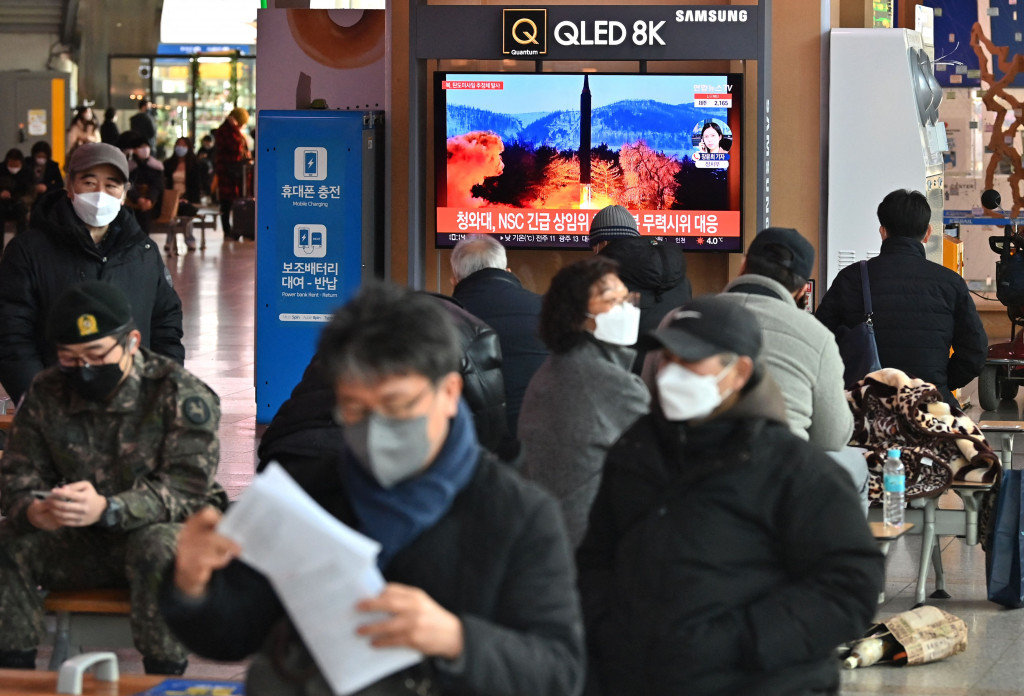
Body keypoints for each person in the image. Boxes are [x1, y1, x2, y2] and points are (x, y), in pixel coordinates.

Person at [159, 282, 585, 695]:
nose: (377, 430)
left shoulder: (517, 513)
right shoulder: (308, 495)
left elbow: (558, 670)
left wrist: (456, 639)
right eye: (355, 409)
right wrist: (193, 583)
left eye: (397, 406)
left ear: (449, 391)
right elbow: (236, 632)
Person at [577, 295, 885, 696]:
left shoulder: (795, 471)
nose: (671, 373)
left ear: (738, 372)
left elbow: (850, 586)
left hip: (759, 682)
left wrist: (739, 642)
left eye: (690, 361)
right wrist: (610, 631)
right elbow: (596, 557)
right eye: (667, 358)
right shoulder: (636, 449)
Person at [0, 281, 226, 675]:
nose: (84, 369)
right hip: (83, 539)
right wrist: (34, 510)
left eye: (96, 355)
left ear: (132, 342)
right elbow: (17, 473)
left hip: (165, 533)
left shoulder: (177, 394)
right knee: (7, 542)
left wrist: (110, 508)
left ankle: (163, 677)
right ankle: (15, 675)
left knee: (158, 549)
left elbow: (187, 489)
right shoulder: (48, 392)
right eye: (70, 359)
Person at [0, 142, 184, 403]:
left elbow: (166, 326)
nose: (100, 194)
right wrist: (41, 401)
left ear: (123, 193)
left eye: (111, 185)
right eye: (89, 182)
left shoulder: (144, 252)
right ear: (70, 186)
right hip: (56, 405)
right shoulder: (28, 251)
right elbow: (12, 334)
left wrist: (158, 391)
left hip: (131, 405)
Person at [719, 226, 868, 510]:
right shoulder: (816, 335)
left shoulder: (683, 318)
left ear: (743, 265)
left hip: (691, 471)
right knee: (856, 464)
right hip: (781, 476)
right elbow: (832, 437)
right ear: (802, 291)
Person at [519, 257, 649, 546]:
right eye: (612, 300)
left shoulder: (556, 367)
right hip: (592, 537)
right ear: (577, 315)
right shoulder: (603, 380)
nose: (626, 310)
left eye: (626, 299)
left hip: (549, 529)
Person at [816, 189, 987, 410]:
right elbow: (975, 352)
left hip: (866, 408)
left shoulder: (851, 278)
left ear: (883, 231)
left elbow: (818, 341)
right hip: (931, 407)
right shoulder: (950, 283)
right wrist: (941, 383)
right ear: (928, 233)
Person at [451, 234, 548, 437]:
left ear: (455, 280)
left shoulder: (443, 318)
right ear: (507, 272)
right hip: (541, 437)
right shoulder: (549, 309)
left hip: (474, 443)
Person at [589, 204, 692, 372]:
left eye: (593, 246)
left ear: (603, 243)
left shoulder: (601, 279)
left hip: (621, 375)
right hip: (673, 370)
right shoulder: (680, 276)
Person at [213, 107, 251, 240]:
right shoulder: (227, 131)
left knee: (231, 202)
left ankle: (236, 228)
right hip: (229, 172)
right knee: (227, 202)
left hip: (233, 172)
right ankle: (229, 229)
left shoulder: (227, 131)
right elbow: (235, 147)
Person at [122, 131, 165, 235]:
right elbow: (127, 184)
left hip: (153, 203)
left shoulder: (156, 167)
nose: (145, 149)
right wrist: (138, 198)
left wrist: (150, 199)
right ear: (134, 150)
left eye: (146, 146)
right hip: (132, 201)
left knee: (144, 215)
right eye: (141, 147)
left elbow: (158, 185)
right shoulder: (129, 167)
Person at [163, 137, 202, 251]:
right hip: (172, 197)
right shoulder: (168, 164)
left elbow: (196, 185)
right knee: (171, 217)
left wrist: (188, 198)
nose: (180, 148)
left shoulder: (194, 165)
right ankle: (169, 241)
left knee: (186, 217)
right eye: (178, 145)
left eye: (183, 145)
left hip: (188, 197)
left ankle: (189, 239)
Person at [0, 148, 30, 236]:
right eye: (11, 165)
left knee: (21, 214)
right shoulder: (1, 170)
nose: (13, 168)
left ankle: (21, 241)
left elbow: (30, 192)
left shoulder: (27, 172)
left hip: (20, 203)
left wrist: (18, 198)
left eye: (16, 165)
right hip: (2, 203)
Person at [26, 141, 65, 206]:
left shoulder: (53, 166)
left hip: (46, 195)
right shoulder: (27, 163)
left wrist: (47, 187)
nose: (41, 159)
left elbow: (60, 183)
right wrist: (33, 187)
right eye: (39, 156)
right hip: (29, 193)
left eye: (43, 157)